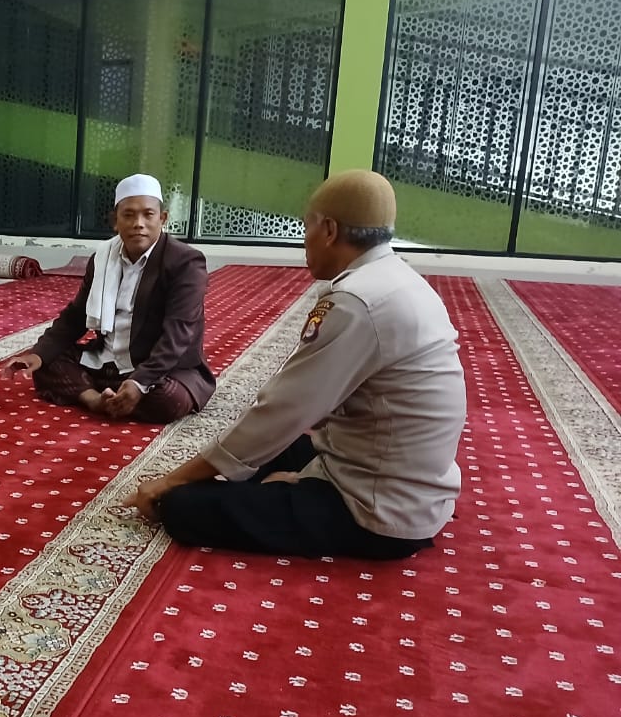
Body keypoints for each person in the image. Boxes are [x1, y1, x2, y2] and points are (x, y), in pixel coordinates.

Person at [126, 169, 466, 560]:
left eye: (307, 226)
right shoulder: (398, 278)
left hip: (378, 511)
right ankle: (301, 481)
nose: (304, 239)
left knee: (182, 506)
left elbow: (282, 411)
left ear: (329, 230)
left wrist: (171, 481)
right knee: (271, 454)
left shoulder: (356, 302)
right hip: (399, 475)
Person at [1, 173, 215, 423]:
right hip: (107, 361)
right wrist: (37, 355)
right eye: (128, 215)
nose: (138, 223)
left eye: (148, 214)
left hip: (159, 368)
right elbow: (76, 316)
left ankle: (115, 393)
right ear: (115, 221)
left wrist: (140, 382)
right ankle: (96, 400)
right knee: (48, 362)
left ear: (162, 218)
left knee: (169, 399)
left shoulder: (185, 262)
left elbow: (178, 335)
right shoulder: (102, 259)